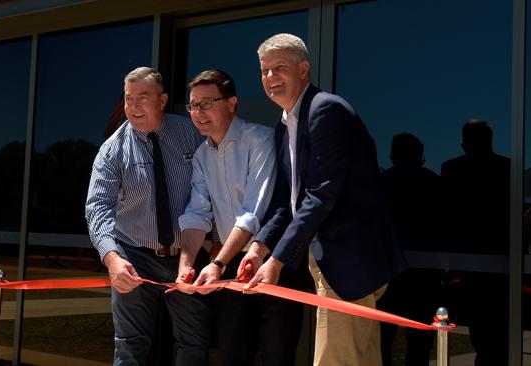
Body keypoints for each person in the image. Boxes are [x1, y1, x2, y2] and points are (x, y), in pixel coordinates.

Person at [242, 33, 406, 366]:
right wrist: (259, 248)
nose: (270, 77)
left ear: (303, 69)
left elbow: (320, 195)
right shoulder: (284, 124)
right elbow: (286, 202)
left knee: (338, 361)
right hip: (331, 262)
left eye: (280, 68)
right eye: (264, 70)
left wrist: (276, 262)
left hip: (349, 262)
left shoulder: (325, 110)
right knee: (358, 359)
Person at [177, 69, 308, 366]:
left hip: (274, 260)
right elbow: (197, 215)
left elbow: (255, 211)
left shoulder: (261, 139)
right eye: (193, 105)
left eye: (207, 103)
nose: (198, 113)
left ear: (232, 103)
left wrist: (216, 263)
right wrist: (185, 265)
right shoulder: (200, 156)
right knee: (232, 355)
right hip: (230, 265)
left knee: (278, 357)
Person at [85, 66, 212, 366]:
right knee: (130, 347)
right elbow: (97, 207)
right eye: (129, 99)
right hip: (134, 257)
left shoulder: (191, 133)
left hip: (188, 257)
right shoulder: (112, 150)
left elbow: (213, 190)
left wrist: (211, 246)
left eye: (143, 97)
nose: (134, 106)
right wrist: (112, 258)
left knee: (195, 344)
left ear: (163, 100)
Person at [440, 119, 510, 365]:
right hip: (498, 262)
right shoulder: (507, 169)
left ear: (464, 143)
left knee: (481, 328)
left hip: (470, 262)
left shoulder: (452, 170)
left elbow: (445, 216)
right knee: (496, 329)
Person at [378, 133, 442, 366]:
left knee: (383, 339)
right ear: (420, 155)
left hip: (389, 273)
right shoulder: (432, 182)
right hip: (424, 274)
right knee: (419, 342)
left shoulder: (382, 184)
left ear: (394, 155)